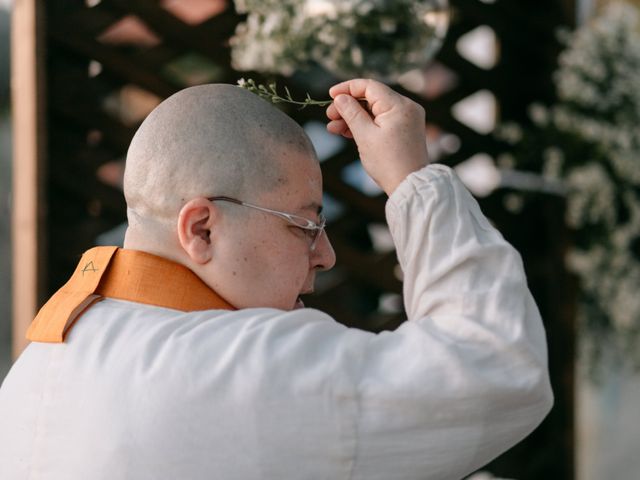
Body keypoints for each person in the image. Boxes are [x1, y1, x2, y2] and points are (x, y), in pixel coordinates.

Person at [0, 79, 553, 479]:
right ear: (203, 229)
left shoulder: (30, 376)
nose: (327, 256)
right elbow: (497, 364)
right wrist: (413, 179)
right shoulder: (240, 366)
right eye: (305, 225)